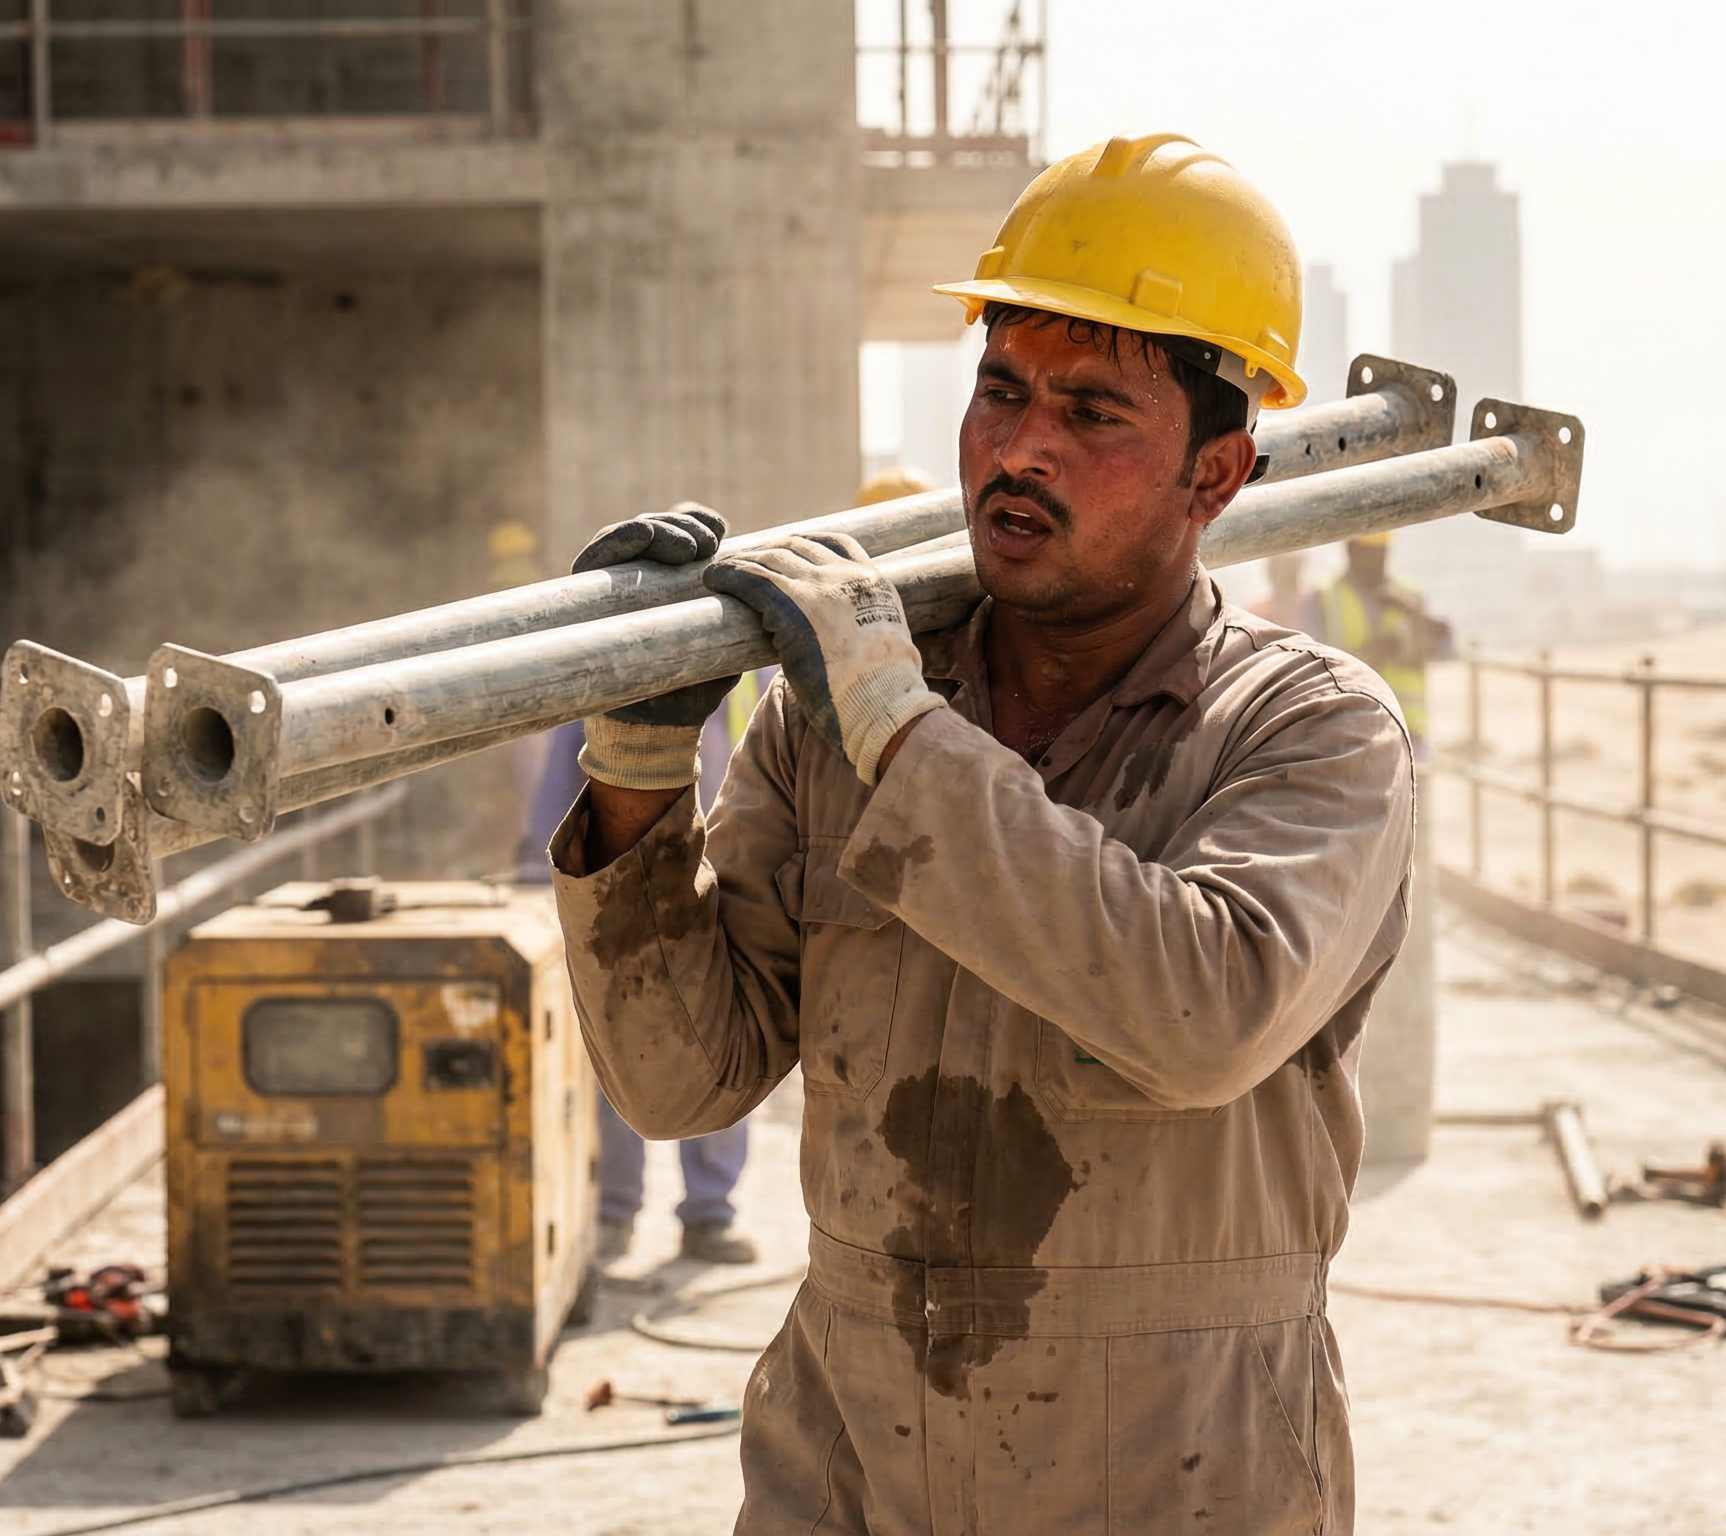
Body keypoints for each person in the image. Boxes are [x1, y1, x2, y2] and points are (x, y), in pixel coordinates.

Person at [542, 134, 1412, 1532]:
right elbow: (679, 1085)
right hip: (853, 1459)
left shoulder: (1307, 728)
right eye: (1000, 391)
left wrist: (900, 731)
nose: (1021, 448)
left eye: (1094, 414)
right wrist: (643, 764)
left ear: (1216, 477)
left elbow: (1204, 1012)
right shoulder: (844, 721)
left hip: (1177, 1473)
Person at [518, 658, 769, 1268]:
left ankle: (709, 1213)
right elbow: (562, 772)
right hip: (623, 884)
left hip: (719, 879)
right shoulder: (611, 663)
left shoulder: (750, 674)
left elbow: (769, 777)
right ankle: (614, 1210)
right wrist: (536, 866)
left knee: (721, 1045)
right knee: (622, 1048)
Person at [1297, 530, 1456, 758]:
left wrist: (1413, 613)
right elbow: (1309, 667)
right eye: (1372, 552)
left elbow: (1446, 648)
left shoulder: (1407, 595)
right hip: (1348, 734)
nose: (1380, 561)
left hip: (1408, 733)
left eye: (1383, 552)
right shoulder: (1324, 598)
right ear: (1352, 550)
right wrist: (1367, 656)